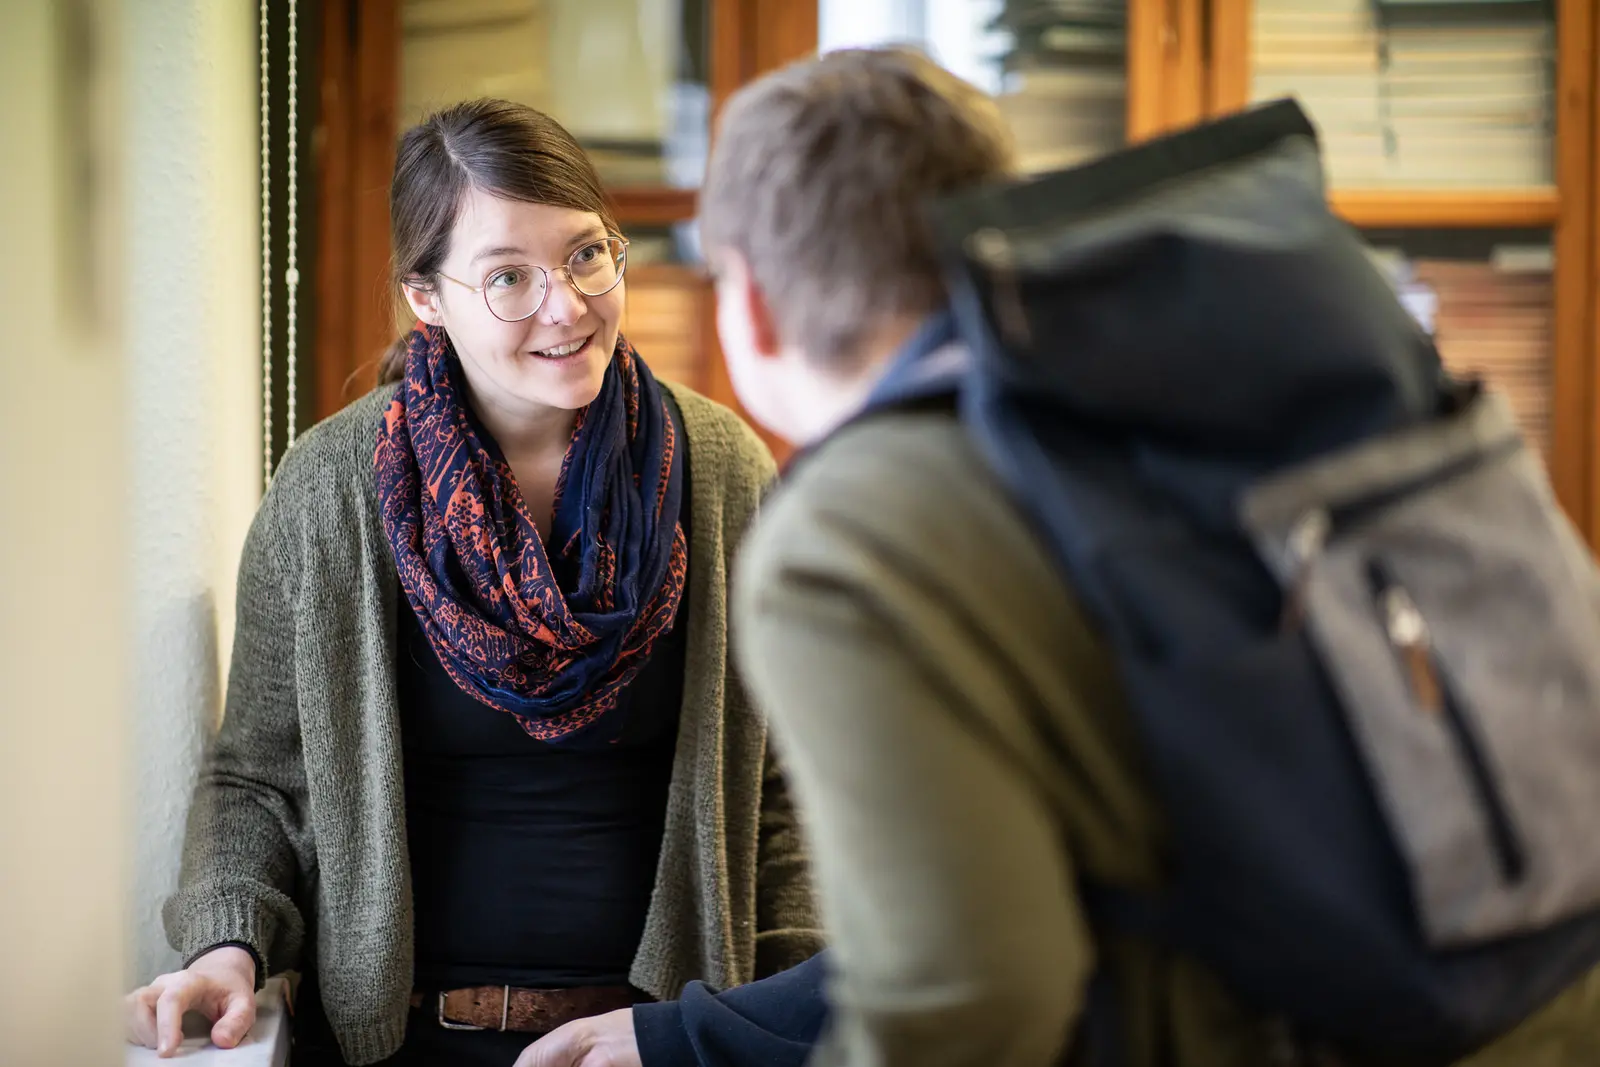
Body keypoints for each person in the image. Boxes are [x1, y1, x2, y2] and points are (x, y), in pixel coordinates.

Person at [518, 46, 1600, 1067]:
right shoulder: (1188, 391)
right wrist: (692, 1036)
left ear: (746, 299)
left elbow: (965, 1001)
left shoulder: (849, 534)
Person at [123, 97, 821, 1067]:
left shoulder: (721, 468)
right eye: (508, 276)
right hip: (409, 1041)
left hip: (656, 1036)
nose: (567, 305)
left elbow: (787, 784)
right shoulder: (331, 489)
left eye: (586, 254)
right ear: (426, 297)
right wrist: (228, 939)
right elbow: (259, 780)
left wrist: (788, 1012)